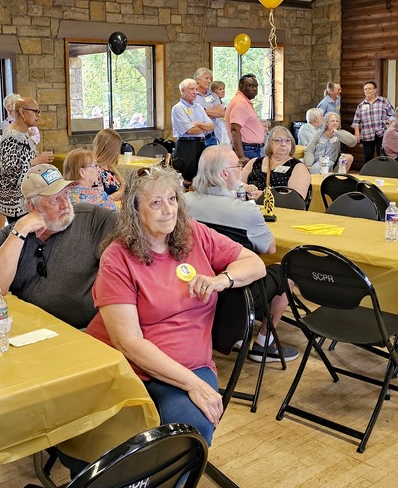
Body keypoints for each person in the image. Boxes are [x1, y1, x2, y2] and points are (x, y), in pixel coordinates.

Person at [86, 166, 266, 443]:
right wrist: (192, 384)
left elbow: (255, 264)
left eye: (172, 199)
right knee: (99, 436)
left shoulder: (193, 234)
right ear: (134, 210)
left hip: (190, 363)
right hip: (127, 365)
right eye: (156, 203)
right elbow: (128, 342)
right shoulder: (118, 257)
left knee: (189, 434)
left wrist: (222, 280)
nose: (168, 210)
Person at [184, 146, 297, 362]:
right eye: (237, 166)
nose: (240, 169)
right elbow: (270, 248)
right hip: (237, 291)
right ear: (224, 174)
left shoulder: (184, 202)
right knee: (287, 269)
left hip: (196, 282)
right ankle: (264, 343)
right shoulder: (245, 210)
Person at [0, 164, 117, 329]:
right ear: (32, 206)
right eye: (55, 199)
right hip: (30, 330)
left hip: (83, 332)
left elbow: (138, 233)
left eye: (65, 194)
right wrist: (20, 230)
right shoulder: (11, 235)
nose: (65, 204)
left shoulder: (92, 219)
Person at [0, 97, 52, 222]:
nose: (38, 116)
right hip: (14, 198)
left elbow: (23, 159)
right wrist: (36, 161)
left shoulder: (24, 133)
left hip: (23, 195)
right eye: (35, 112)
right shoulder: (11, 136)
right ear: (22, 112)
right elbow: (8, 171)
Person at [240, 125, 311, 202]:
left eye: (287, 140)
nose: (283, 144)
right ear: (269, 143)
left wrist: (265, 197)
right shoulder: (254, 162)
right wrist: (246, 187)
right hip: (248, 205)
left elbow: (296, 200)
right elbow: (237, 183)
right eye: (278, 140)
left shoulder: (298, 167)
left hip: (278, 207)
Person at [172, 78, 214, 181]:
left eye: (196, 89)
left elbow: (212, 126)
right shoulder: (178, 108)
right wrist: (204, 128)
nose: (195, 92)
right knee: (188, 177)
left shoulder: (198, 107)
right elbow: (190, 131)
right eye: (192, 89)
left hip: (201, 144)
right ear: (183, 91)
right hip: (186, 145)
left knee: (201, 176)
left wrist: (197, 124)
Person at [226, 73, 266, 164]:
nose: (255, 89)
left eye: (256, 86)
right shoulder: (240, 104)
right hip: (247, 150)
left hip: (250, 149)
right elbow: (235, 129)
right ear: (241, 86)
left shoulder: (244, 102)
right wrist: (241, 156)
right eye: (250, 86)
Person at [351, 81, 394, 163]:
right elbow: (356, 121)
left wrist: (388, 124)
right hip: (367, 134)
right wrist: (357, 133)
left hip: (382, 133)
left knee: (382, 156)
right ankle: (368, 171)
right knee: (368, 158)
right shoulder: (361, 105)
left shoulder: (383, 101)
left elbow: (393, 115)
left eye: (370, 89)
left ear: (375, 90)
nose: (367, 91)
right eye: (365, 89)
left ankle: (383, 170)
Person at [194, 67, 225, 146]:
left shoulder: (213, 95)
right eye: (206, 78)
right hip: (196, 137)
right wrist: (213, 113)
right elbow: (194, 116)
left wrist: (203, 111)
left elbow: (221, 113)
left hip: (211, 137)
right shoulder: (192, 95)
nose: (209, 81)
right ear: (197, 80)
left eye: (210, 79)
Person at [92, 129, 124, 197]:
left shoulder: (110, 167)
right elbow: (99, 200)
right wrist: (120, 192)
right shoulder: (94, 170)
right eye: (116, 150)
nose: (117, 153)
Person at [209, 81, 230, 145]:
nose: (223, 91)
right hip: (214, 135)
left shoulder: (226, 105)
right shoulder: (210, 105)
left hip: (226, 134)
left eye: (223, 89)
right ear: (213, 92)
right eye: (220, 89)